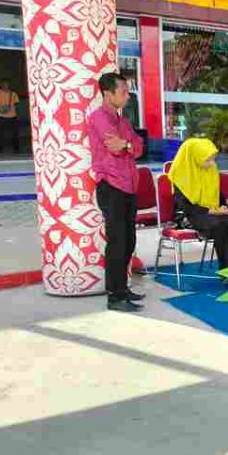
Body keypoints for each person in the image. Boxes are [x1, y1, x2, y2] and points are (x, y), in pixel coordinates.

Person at [88, 72, 145, 312]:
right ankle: (115, 295)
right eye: (122, 91)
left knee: (129, 240)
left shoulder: (123, 121)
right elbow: (114, 146)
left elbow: (138, 148)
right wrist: (127, 145)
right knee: (117, 242)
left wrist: (128, 145)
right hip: (111, 187)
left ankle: (123, 289)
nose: (127, 95)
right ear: (107, 94)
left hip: (129, 186)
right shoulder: (98, 118)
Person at [168, 138, 228, 270]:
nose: (212, 162)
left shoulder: (210, 169)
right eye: (207, 159)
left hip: (211, 212)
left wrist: (227, 202)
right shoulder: (180, 175)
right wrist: (212, 211)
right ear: (194, 158)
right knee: (220, 226)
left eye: (213, 158)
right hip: (189, 215)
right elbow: (185, 206)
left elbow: (215, 192)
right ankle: (227, 270)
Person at [0, 79, 20, 154]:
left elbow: (16, 104)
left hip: (12, 116)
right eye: (4, 84)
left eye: (7, 84)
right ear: (1, 85)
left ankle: (16, 148)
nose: (5, 86)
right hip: (0, 115)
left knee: (15, 133)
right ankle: (0, 149)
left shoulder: (13, 94)